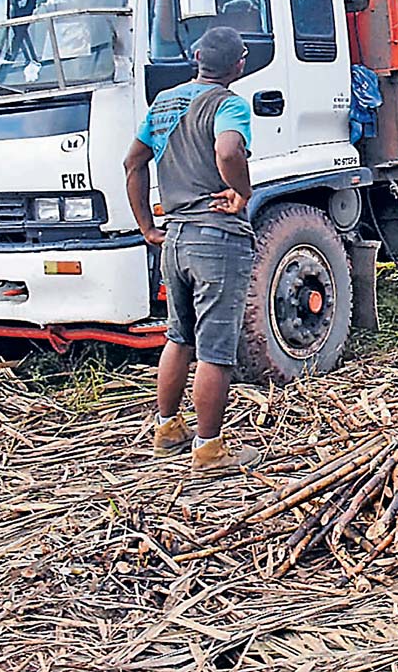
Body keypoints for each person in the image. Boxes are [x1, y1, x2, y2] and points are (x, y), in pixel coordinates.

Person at [123, 27, 258, 472]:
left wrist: (146, 225)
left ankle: (167, 429)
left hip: (175, 238)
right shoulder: (229, 104)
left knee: (178, 338)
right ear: (239, 65)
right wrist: (241, 190)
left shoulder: (164, 102)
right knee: (214, 350)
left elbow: (133, 162)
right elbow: (228, 149)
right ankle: (209, 449)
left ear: (196, 56)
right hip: (215, 240)